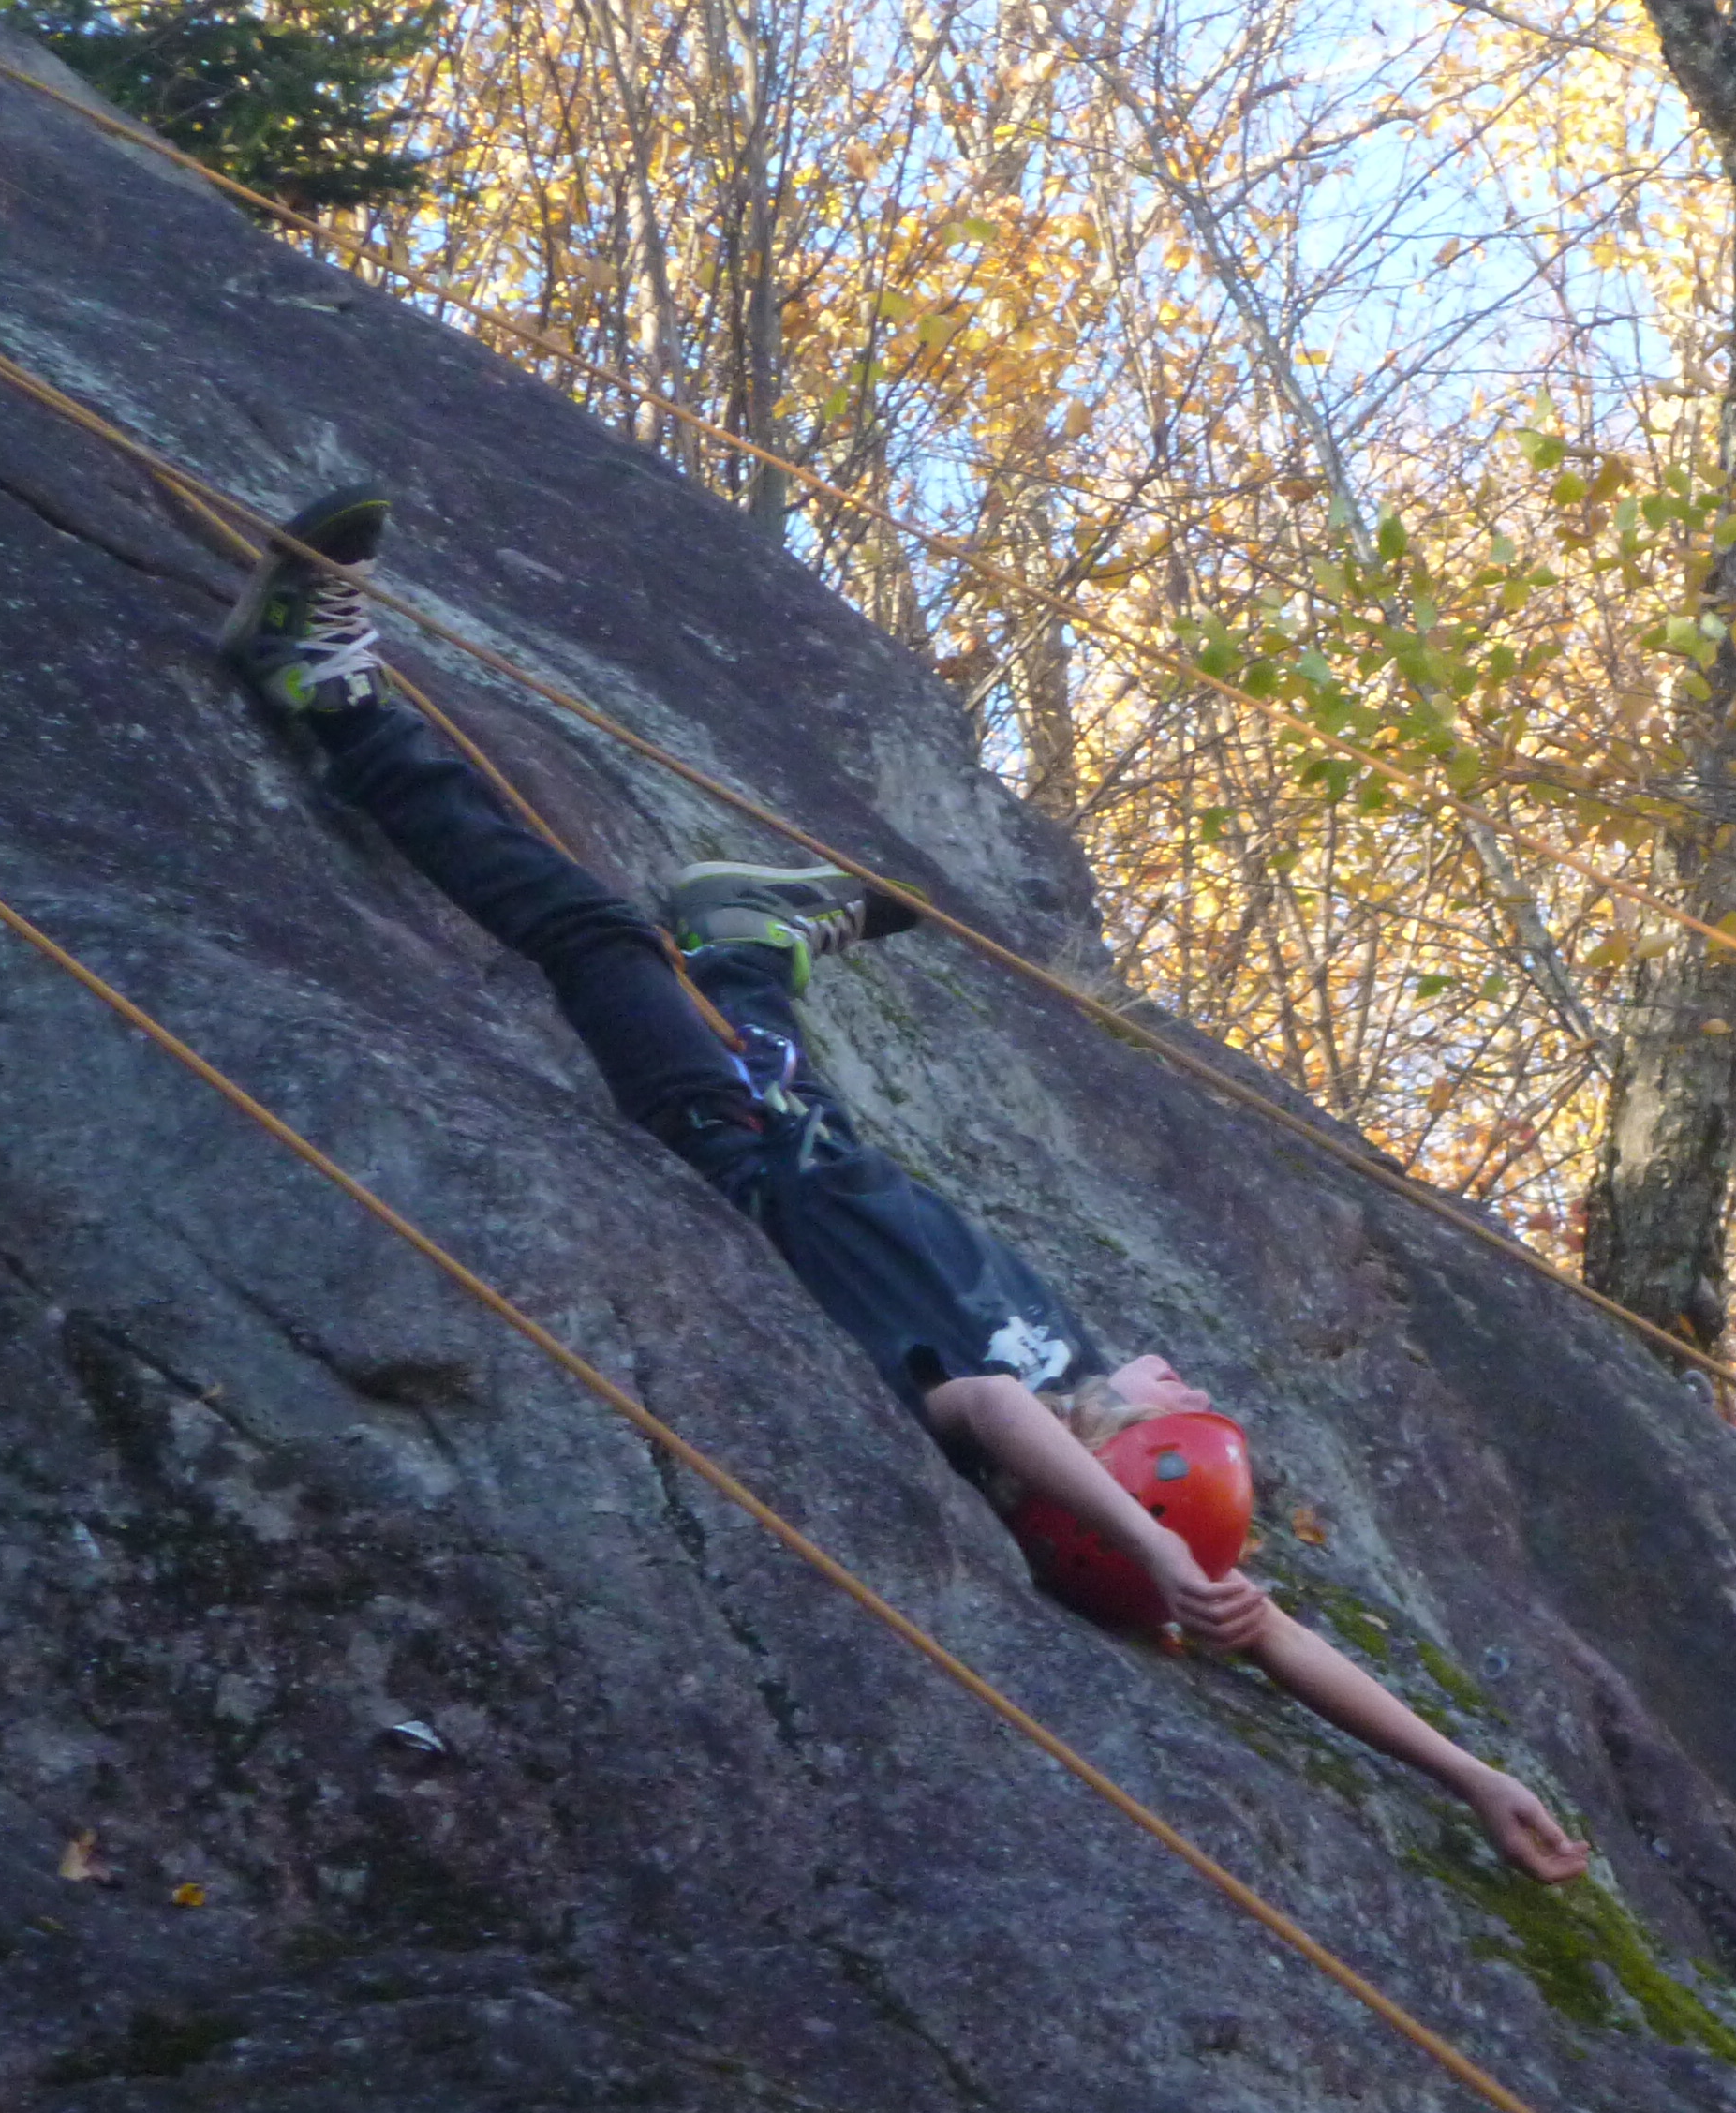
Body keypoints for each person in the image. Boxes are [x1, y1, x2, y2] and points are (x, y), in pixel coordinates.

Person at [219, 483, 1590, 1885]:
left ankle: (331, 698)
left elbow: (1019, 1430)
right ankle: (744, 938)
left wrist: (1153, 1553)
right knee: (743, 1013)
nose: (1175, 1378)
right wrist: (1472, 1772)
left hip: (728, 1143)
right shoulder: (1076, 1380)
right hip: (804, 1126)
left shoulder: (991, 1413)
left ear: (1108, 1470)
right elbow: (1273, 1628)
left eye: (1164, 1412)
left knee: (592, 937)